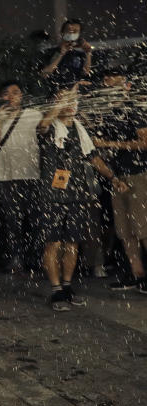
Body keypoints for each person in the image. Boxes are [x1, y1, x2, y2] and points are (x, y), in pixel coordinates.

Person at [36, 87, 127, 311]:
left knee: (72, 242)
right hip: (52, 195)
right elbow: (44, 125)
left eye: (73, 100)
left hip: (77, 193)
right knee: (53, 243)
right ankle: (56, 291)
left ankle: (67, 287)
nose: (70, 103)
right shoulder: (48, 126)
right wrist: (59, 101)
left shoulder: (79, 129)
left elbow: (94, 157)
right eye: (65, 99)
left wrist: (113, 178)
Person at [90, 70, 147, 293]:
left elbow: (144, 143)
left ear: (126, 86)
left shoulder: (134, 111)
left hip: (139, 175)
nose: (109, 88)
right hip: (118, 178)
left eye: (114, 84)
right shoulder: (109, 114)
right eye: (106, 84)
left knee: (143, 228)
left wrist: (108, 144)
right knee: (125, 231)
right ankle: (137, 275)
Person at [0, 80, 44, 271]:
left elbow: (45, 129)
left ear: (21, 96)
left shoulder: (34, 114)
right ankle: (16, 257)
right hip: (6, 177)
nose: (11, 96)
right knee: (12, 221)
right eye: (7, 93)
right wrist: (0, 120)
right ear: (1, 97)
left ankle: (37, 257)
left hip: (32, 175)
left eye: (16, 92)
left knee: (36, 218)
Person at [41, 19, 93, 87]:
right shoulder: (50, 52)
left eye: (75, 31)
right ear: (62, 33)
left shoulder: (79, 54)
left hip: (74, 91)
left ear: (79, 35)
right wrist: (60, 54)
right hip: (57, 91)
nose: (71, 34)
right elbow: (44, 74)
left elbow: (86, 72)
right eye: (68, 31)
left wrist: (88, 53)